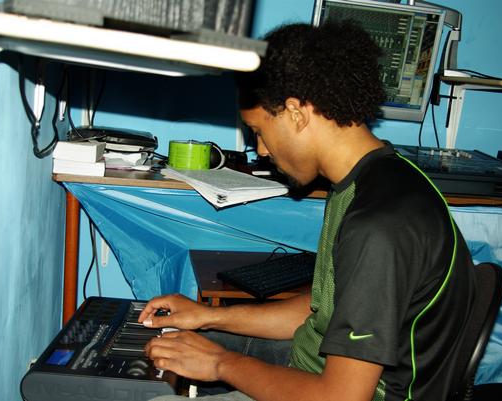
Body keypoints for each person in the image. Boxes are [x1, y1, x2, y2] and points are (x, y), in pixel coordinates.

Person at [139, 21, 477, 401]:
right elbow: (324, 312)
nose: (261, 150)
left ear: (296, 113)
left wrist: (220, 363)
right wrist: (209, 316)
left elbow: (342, 397)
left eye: (259, 131)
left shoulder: (379, 223)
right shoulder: (370, 180)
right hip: (309, 368)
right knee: (168, 348)